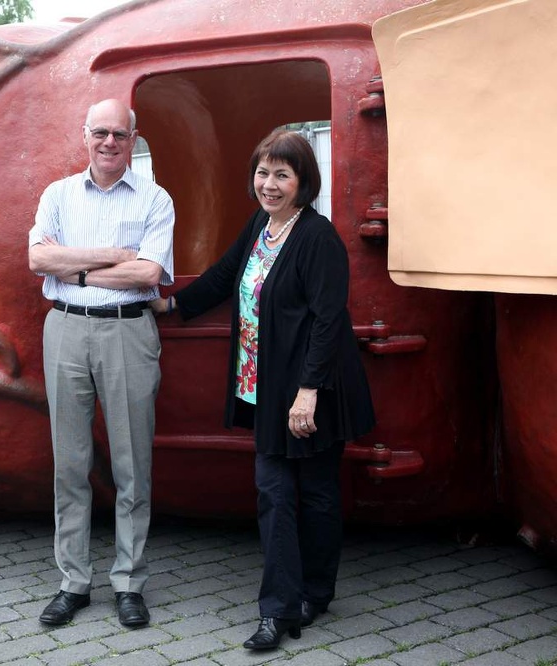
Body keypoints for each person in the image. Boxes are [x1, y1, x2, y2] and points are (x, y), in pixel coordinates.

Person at [152, 129, 374, 649]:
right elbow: (226, 274)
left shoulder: (318, 238)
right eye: (262, 172)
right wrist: (171, 305)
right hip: (267, 387)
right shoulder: (260, 225)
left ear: (303, 181)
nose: (269, 184)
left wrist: (308, 392)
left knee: (315, 495)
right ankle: (286, 605)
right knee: (277, 495)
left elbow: (327, 320)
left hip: (310, 391)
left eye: (281, 174)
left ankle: (306, 598)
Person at [27, 98, 175, 628]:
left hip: (128, 332)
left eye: (120, 134)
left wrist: (80, 268)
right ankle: (74, 582)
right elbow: (39, 260)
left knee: (133, 464)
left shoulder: (156, 199)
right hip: (64, 328)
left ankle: (129, 582)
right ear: (84, 135)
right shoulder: (58, 194)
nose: (109, 142)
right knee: (70, 462)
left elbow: (149, 274)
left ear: (134, 139)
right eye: (100, 133)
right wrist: (114, 255)